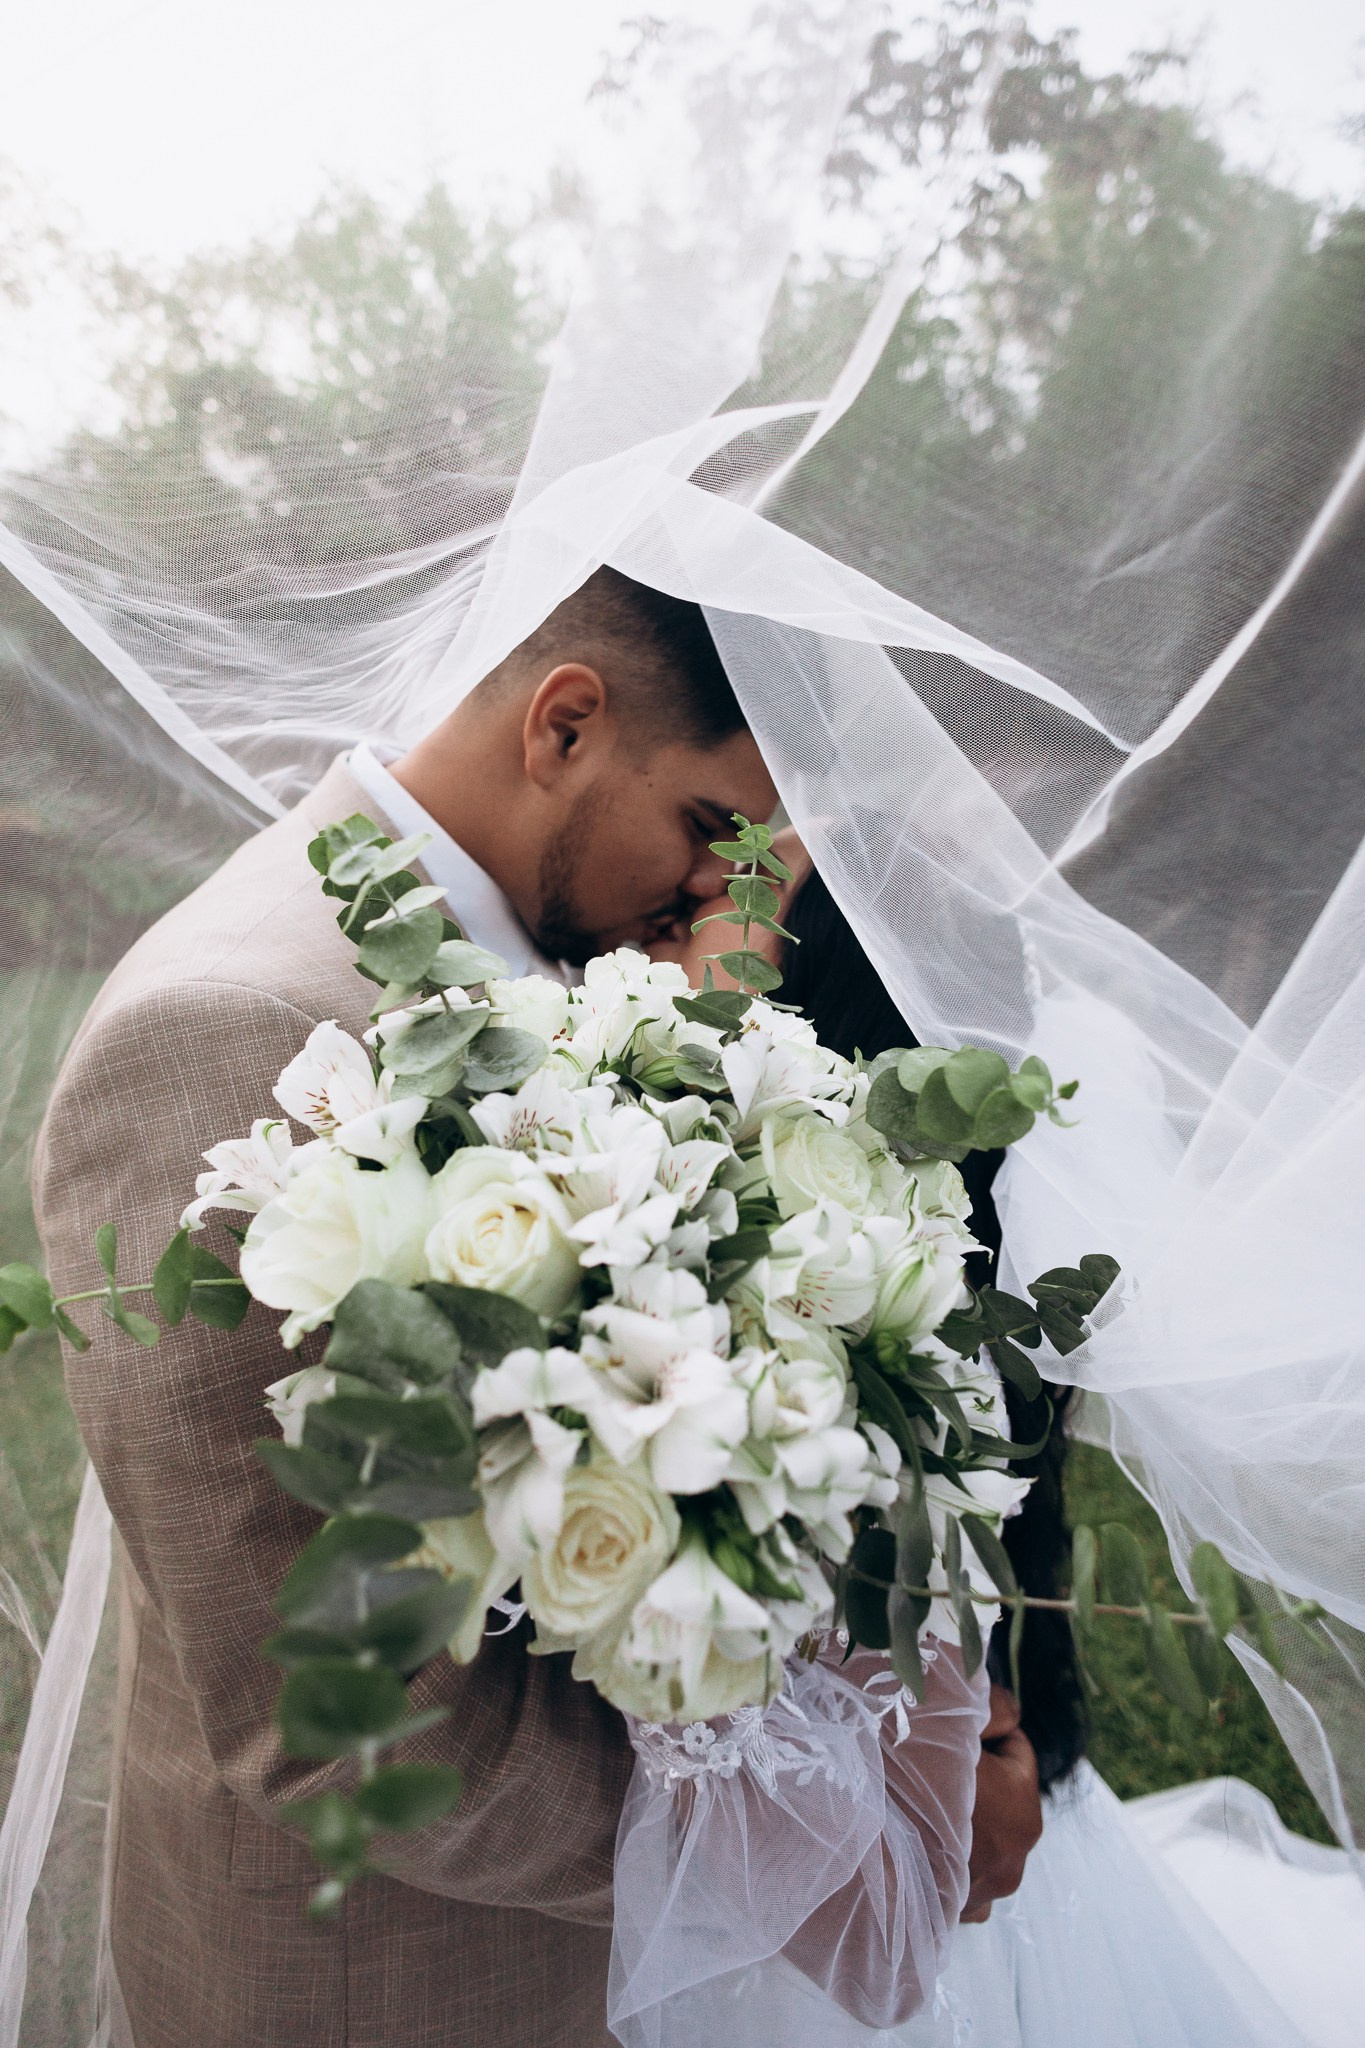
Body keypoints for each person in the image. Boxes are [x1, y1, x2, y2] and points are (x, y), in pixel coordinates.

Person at [32, 570, 1038, 2048]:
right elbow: (333, 1725)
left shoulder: (560, 943)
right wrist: (845, 1845)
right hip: (388, 1982)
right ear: (564, 722)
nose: (722, 893)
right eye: (709, 829)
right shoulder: (223, 1031)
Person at [660, 851, 1318, 2048]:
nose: (664, 940)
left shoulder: (867, 1382)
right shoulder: (938, 1302)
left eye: (691, 920)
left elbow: (891, 1908)